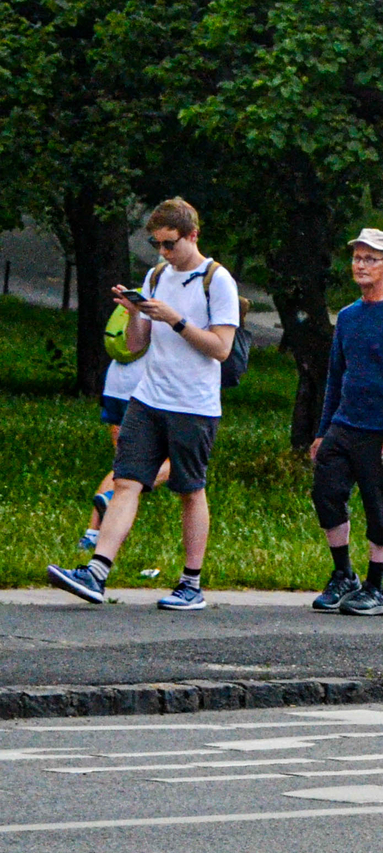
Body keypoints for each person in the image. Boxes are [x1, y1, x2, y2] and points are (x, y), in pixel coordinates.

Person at [46, 198, 239, 609]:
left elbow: (221, 349)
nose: (165, 253)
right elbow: (136, 345)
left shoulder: (216, 280)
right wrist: (135, 313)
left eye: (171, 244)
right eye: (157, 245)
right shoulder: (156, 275)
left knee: (190, 490)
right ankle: (97, 572)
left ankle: (191, 583)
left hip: (194, 406)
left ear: (192, 235)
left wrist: (175, 318)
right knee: (126, 480)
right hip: (149, 399)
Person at [308, 228, 383, 616]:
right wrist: (323, 431)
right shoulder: (347, 316)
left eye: (370, 259)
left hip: (382, 430)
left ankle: (375, 586)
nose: (360, 265)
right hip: (345, 424)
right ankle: (344, 574)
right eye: (357, 258)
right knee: (326, 492)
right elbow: (335, 376)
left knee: (378, 506)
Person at [79, 310, 169, 551]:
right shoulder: (169, 302)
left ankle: (91, 534)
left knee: (122, 463)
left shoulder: (137, 298)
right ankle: (111, 499)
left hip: (117, 383)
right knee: (176, 462)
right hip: (144, 388)